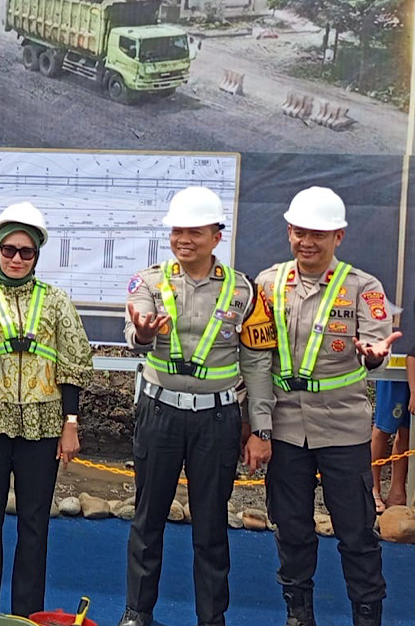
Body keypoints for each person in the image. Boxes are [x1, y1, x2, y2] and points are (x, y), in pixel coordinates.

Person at [118, 187, 274, 626]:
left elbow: (258, 364)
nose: (183, 238)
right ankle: (137, 612)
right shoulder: (148, 281)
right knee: (148, 518)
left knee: (211, 525)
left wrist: (260, 429)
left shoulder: (244, 291)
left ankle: (212, 617)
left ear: (216, 236)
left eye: (195, 231)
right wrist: (145, 335)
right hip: (159, 412)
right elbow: (135, 332)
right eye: (177, 230)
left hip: (217, 417)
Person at [256, 187, 400, 626]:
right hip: (284, 426)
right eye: (300, 232)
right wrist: (253, 423)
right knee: (292, 529)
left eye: (319, 234)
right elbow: (255, 356)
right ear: (289, 232)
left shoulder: (363, 287)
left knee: (356, 532)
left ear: (339, 236)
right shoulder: (267, 283)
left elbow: (375, 344)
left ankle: (367, 614)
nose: (308, 242)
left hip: (342, 426)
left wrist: (375, 355)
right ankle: (299, 614)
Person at [0, 202, 92, 617]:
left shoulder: (57, 302)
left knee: (34, 522)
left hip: (42, 424)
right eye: (8, 249)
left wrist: (70, 423)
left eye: (25, 252)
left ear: (37, 255)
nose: (15, 258)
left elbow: (73, 363)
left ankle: (27, 614)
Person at [370, 380, 409, 512]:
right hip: (395, 368)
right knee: (384, 426)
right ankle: (373, 487)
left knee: (408, 429)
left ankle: (397, 491)